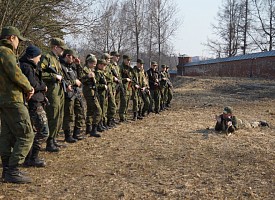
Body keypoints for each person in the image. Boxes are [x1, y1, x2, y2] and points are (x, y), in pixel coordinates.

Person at [0, 26, 35, 183]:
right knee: (27, 134)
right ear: (11, 38)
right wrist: (29, 87)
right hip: (13, 99)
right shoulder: (5, 52)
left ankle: (7, 169)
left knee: (6, 135)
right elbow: (15, 73)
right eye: (18, 40)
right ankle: (13, 170)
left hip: (4, 100)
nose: (19, 43)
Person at [20, 45, 49, 168]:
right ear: (32, 57)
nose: (40, 58)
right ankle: (32, 157)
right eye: (38, 56)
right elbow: (33, 84)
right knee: (43, 131)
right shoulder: (26, 67)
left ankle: (30, 157)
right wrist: (43, 87)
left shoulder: (31, 67)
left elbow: (37, 83)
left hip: (36, 101)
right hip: (33, 103)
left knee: (34, 131)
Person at [40, 38, 68, 152]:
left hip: (59, 90)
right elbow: (40, 73)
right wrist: (53, 77)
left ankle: (54, 138)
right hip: (52, 91)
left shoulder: (57, 59)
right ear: (55, 47)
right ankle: (49, 142)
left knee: (59, 115)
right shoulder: (47, 57)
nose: (63, 51)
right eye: (61, 48)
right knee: (53, 115)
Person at [60, 49, 85, 143]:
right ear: (67, 56)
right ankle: (68, 135)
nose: (74, 59)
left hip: (77, 93)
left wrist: (78, 65)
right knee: (68, 115)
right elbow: (63, 80)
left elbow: (81, 77)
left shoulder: (73, 66)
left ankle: (76, 133)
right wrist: (74, 82)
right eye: (73, 57)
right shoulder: (61, 66)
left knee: (80, 112)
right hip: (69, 94)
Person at [81, 54, 102, 137]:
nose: (95, 65)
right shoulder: (85, 70)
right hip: (88, 92)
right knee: (98, 110)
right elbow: (81, 79)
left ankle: (88, 129)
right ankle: (94, 129)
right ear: (90, 62)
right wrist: (88, 76)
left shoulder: (90, 69)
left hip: (92, 92)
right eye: (94, 64)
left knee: (90, 110)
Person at [119, 55, 134, 122]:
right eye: (128, 60)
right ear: (124, 59)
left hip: (129, 87)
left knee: (127, 103)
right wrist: (125, 79)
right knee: (123, 103)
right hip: (123, 87)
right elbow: (119, 79)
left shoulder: (129, 68)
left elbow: (132, 77)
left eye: (129, 60)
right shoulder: (121, 67)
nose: (129, 61)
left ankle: (125, 116)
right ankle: (122, 117)